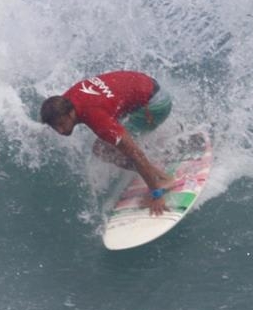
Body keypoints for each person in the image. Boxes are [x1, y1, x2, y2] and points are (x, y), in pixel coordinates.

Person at [40, 70, 173, 215]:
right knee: (103, 147)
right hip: (147, 85)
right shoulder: (65, 101)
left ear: (71, 114)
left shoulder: (95, 118)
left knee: (108, 150)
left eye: (61, 124)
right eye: (55, 126)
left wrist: (156, 195)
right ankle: (154, 171)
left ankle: (159, 181)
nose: (60, 131)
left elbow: (135, 154)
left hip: (156, 105)